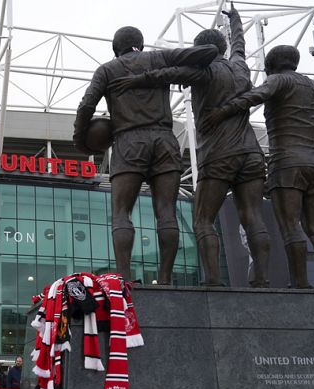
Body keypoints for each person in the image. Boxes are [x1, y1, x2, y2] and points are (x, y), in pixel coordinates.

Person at [108, 3, 270, 287]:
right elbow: (240, 47)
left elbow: (166, 74)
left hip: (219, 154)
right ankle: (262, 279)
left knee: (203, 219)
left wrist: (137, 79)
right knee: (253, 216)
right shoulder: (241, 67)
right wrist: (236, 22)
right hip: (251, 153)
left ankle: (213, 281)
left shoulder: (204, 72)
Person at [203, 44, 314, 289]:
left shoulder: (278, 81)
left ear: (270, 66)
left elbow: (253, 96)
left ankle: (300, 283)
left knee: (290, 227)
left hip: (286, 165)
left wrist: (222, 111)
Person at [73, 28, 218, 283]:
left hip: (129, 140)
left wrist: (81, 141)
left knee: (121, 213)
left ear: (115, 48)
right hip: (164, 140)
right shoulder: (158, 58)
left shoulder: (108, 69)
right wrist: (157, 75)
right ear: (140, 44)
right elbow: (209, 52)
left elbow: (87, 105)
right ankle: (164, 280)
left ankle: (125, 280)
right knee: (166, 213)